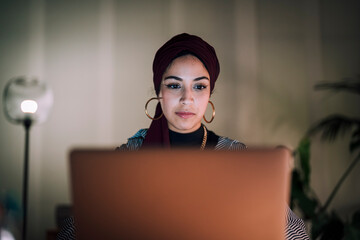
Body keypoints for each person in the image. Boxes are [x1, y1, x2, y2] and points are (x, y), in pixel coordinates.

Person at [57, 33, 309, 239]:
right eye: (174, 85)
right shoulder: (129, 156)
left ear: (209, 94)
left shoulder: (235, 157)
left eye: (199, 86)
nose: (187, 98)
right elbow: (71, 232)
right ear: (159, 93)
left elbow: (296, 232)